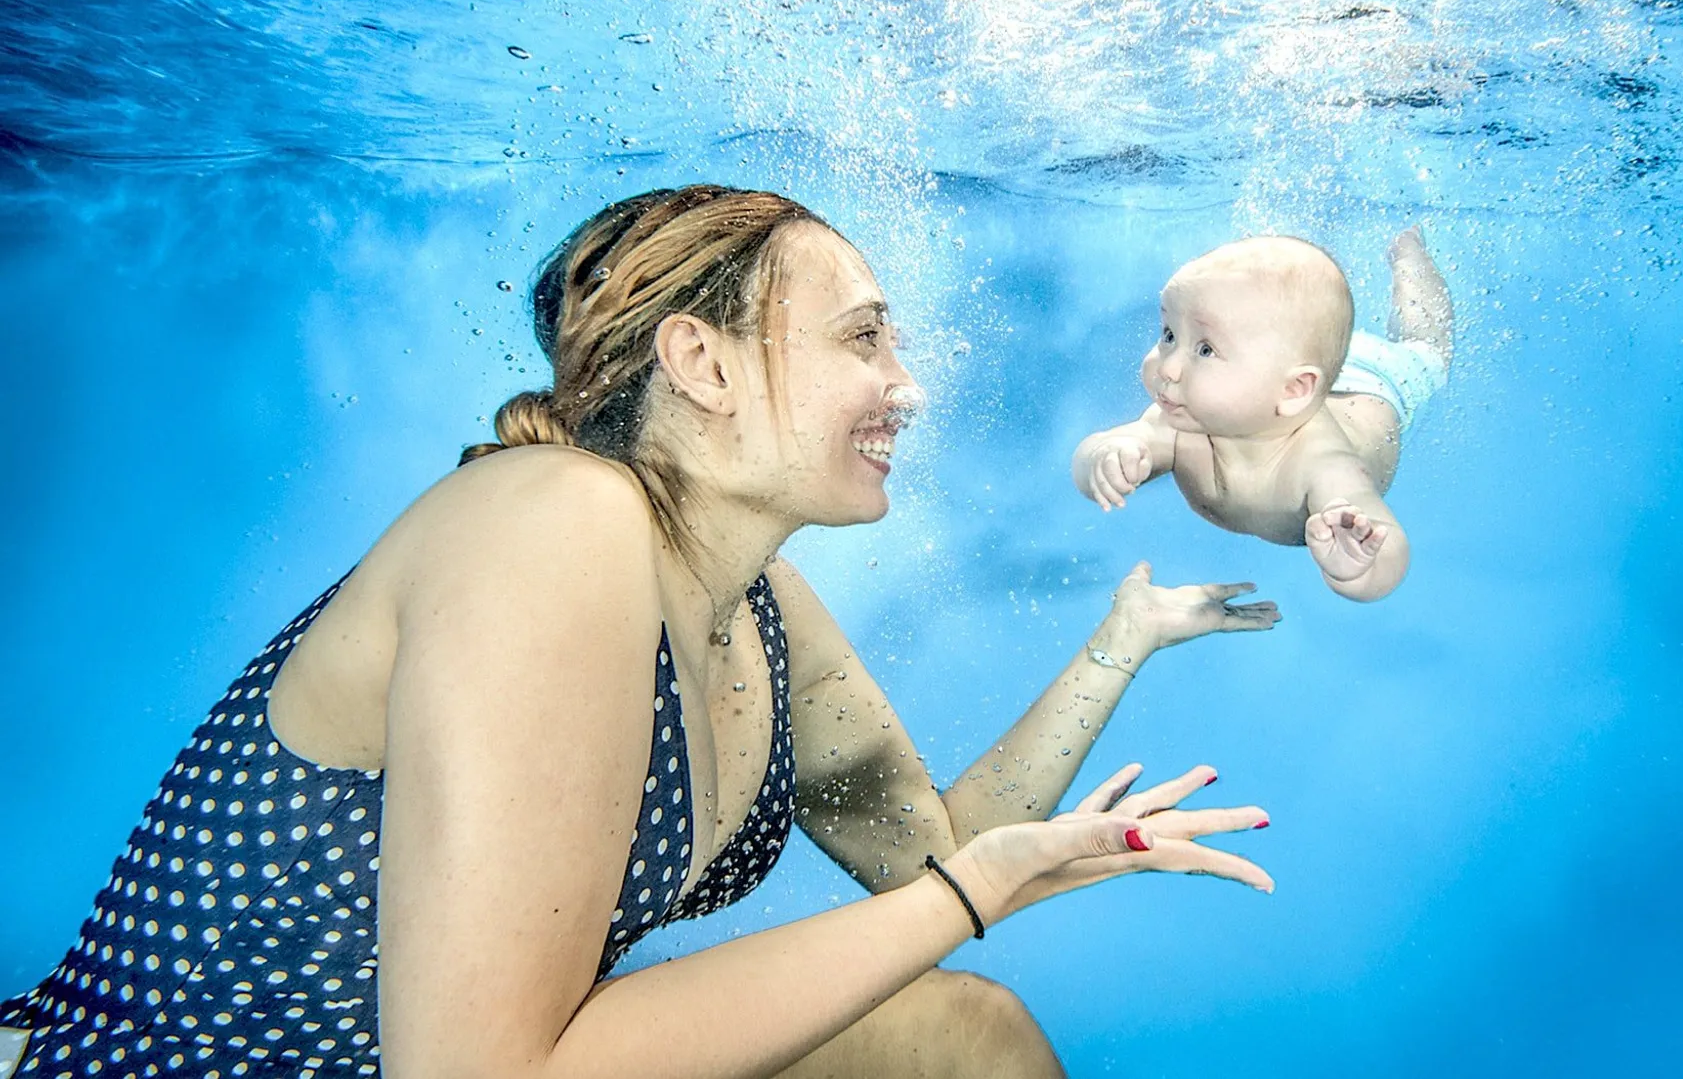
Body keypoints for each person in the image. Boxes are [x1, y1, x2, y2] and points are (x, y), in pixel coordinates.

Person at [0, 186, 1281, 1079]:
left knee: (964, 1039)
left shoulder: (756, 604)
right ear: (701, 361)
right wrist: (973, 891)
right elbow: (483, 1068)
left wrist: (1119, 641)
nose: (908, 382)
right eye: (862, 337)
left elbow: (928, 856)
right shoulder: (547, 522)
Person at [1070, 228, 1454, 602]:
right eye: (1169, 335)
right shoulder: (1184, 420)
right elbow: (1102, 448)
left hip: (1376, 382)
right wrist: (1105, 458)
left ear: (1293, 390)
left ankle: (1408, 256)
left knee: (1427, 346)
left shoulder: (1321, 463)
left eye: (1205, 350)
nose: (1167, 367)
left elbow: (1388, 540)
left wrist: (1361, 566)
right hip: (1293, 369)